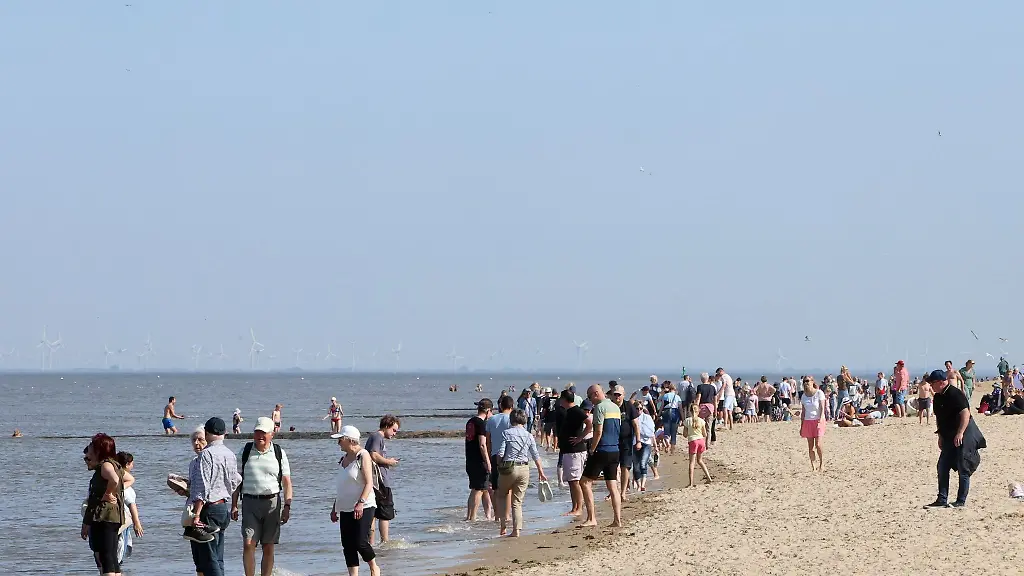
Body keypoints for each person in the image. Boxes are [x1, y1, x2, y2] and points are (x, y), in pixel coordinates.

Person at [232, 417, 293, 576]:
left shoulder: (279, 453)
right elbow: (236, 481)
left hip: (272, 503)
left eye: (264, 433)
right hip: (249, 502)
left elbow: (287, 482)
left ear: (272, 434)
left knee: (268, 545)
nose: (260, 436)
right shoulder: (245, 451)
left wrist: (287, 506)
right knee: (248, 543)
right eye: (257, 432)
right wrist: (234, 505)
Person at [924, 369, 987, 509]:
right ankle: (942, 499)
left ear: (941, 382)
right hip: (948, 434)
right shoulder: (938, 397)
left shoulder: (955, 394)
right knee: (942, 466)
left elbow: (965, 414)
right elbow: (939, 418)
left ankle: (960, 501)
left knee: (963, 467)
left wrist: (960, 433)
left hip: (965, 432)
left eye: (932, 383)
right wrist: (940, 436)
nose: (930, 386)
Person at [189, 417, 242, 576]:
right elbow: (236, 480)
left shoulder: (206, 454)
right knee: (218, 558)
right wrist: (224, 490)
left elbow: (202, 487)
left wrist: (196, 514)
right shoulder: (230, 454)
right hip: (222, 507)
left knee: (209, 559)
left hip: (209, 509)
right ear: (224, 433)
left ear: (206, 433)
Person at [330, 425, 381, 576]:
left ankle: (374, 567)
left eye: (341, 439)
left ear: (350, 440)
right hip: (345, 507)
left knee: (360, 542)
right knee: (348, 545)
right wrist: (334, 508)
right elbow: (342, 487)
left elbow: (369, 483)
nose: (338, 442)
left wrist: (360, 503)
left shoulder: (363, 455)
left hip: (364, 506)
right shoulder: (343, 459)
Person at [495, 409, 548, 537]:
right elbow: (535, 455)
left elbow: (501, 453)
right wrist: (541, 472)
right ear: (524, 420)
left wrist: (498, 464)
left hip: (509, 467)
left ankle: (503, 527)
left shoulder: (506, 433)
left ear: (511, 420)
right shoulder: (528, 435)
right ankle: (516, 530)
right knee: (517, 502)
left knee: (501, 495)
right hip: (524, 468)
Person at [81, 433, 127, 576]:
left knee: (106, 556)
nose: (88, 448)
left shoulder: (106, 465)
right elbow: (128, 478)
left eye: (91, 446)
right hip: (114, 516)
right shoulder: (115, 465)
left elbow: (114, 479)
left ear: (98, 450)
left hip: (104, 517)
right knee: (111, 556)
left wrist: (108, 493)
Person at [579, 384, 623, 528]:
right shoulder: (615, 407)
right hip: (615, 450)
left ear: (596, 393)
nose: (590, 400)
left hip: (602, 449)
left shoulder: (599, 407)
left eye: (590, 396)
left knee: (584, 482)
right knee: (613, 486)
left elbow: (598, 431)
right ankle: (617, 520)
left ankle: (591, 518)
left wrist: (592, 449)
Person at [365, 415, 400, 546]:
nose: (394, 433)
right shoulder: (377, 437)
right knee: (385, 513)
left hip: (376, 480)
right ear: (386, 426)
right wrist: (389, 462)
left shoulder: (376, 437)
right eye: (394, 430)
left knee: (374, 512)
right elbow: (373, 455)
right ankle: (384, 542)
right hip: (380, 481)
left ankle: (372, 544)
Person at [555, 389, 588, 515]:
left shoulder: (576, 410)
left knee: (575, 481)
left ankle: (579, 508)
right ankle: (574, 507)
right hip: (568, 450)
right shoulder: (568, 411)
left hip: (575, 451)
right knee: (570, 480)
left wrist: (580, 437)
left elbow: (589, 423)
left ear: (564, 399)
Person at [485, 395, 514, 525]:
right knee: (508, 488)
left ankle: (497, 515)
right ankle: (506, 515)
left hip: (494, 455)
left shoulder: (491, 419)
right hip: (508, 456)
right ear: (512, 406)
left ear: (500, 406)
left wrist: (489, 455)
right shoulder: (511, 420)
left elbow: (488, 440)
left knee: (496, 487)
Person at [465, 399, 494, 521]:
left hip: (470, 459)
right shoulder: (481, 424)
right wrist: (488, 462)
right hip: (479, 461)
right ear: (488, 411)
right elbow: (482, 445)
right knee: (478, 490)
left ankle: (487, 516)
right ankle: (472, 518)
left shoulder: (470, 421)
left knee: (483, 488)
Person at [610, 382, 639, 500]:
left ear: (623, 395)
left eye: (619, 395)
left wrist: (638, 441)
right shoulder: (610, 406)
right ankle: (613, 491)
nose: (617, 397)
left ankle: (623, 492)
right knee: (612, 467)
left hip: (626, 440)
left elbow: (636, 424)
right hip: (612, 441)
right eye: (615, 394)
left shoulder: (628, 406)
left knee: (625, 466)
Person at [115, 452, 143, 567]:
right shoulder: (124, 484)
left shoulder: (113, 478)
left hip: (118, 520)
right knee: (119, 550)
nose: (133, 465)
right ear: (127, 464)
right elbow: (131, 504)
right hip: (122, 521)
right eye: (132, 463)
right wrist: (137, 523)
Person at [682, 404, 712, 487]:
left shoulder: (687, 421)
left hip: (693, 441)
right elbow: (705, 434)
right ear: (698, 411)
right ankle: (708, 477)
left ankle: (691, 483)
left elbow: (685, 434)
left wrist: (689, 432)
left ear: (690, 411)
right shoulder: (701, 421)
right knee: (700, 461)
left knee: (692, 463)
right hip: (701, 441)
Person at [799, 379, 826, 472]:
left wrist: (821, 419)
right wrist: (801, 426)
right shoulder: (804, 396)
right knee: (811, 447)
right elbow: (803, 412)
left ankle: (822, 464)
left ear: (812, 382)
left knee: (818, 444)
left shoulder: (819, 393)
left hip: (818, 420)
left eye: (808, 381)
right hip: (807, 421)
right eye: (804, 381)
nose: (806, 383)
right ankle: (813, 466)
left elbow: (822, 408)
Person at [633, 403, 656, 491]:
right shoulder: (631, 417)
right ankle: (638, 485)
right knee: (636, 466)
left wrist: (639, 430)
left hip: (646, 443)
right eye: (637, 408)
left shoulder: (647, 418)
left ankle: (642, 485)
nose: (639, 410)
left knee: (643, 463)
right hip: (634, 443)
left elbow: (651, 431)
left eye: (640, 408)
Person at [658, 381, 682, 454]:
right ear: (675, 389)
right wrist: (682, 417)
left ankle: (667, 444)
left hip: (666, 412)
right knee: (674, 431)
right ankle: (672, 448)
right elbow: (680, 408)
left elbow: (662, 406)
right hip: (675, 413)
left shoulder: (665, 396)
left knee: (667, 430)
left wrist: (659, 414)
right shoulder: (677, 397)